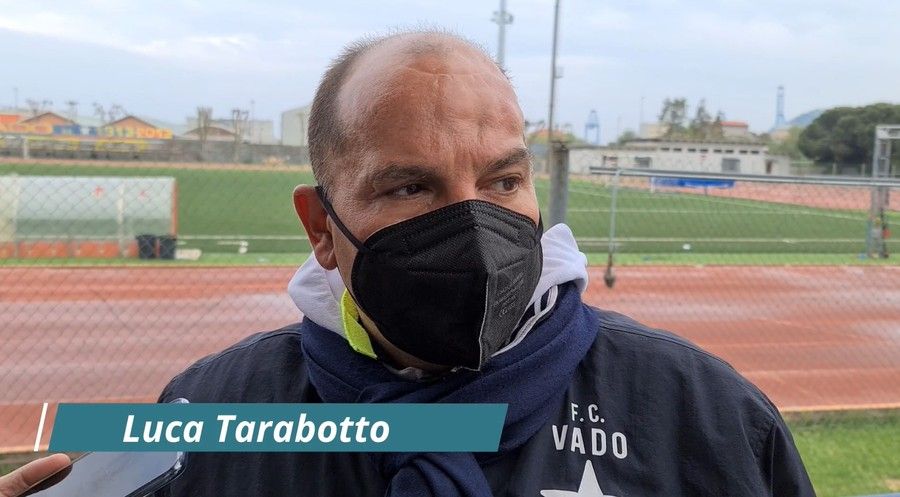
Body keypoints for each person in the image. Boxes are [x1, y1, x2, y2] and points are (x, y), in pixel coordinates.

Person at [6, 30, 816, 497]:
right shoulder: (206, 414)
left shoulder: (706, 416)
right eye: (409, 187)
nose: (475, 226)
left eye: (503, 180)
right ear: (322, 228)